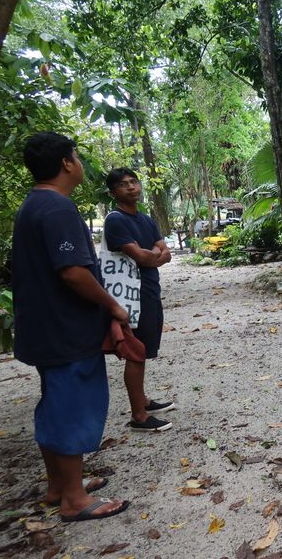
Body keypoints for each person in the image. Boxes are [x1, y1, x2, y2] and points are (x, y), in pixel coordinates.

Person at [12, 132, 129, 521]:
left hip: (43, 327)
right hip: (66, 329)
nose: (79, 163)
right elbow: (74, 272)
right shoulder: (58, 209)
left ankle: (58, 485)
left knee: (54, 402)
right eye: (76, 156)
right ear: (66, 163)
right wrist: (113, 306)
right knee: (71, 405)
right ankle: (75, 500)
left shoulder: (32, 205)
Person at [103, 168, 175, 432]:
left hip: (149, 290)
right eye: (124, 184)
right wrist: (154, 253)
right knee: (136, 351)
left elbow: (166, 254)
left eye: (134, 181)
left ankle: (143, 400)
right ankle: (139, 416)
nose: (131, 187)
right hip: (129, 295)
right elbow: (144, 257)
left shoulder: (146, 220)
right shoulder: (116, 220)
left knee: (144, 348)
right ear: (113, 192)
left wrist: (151, 253)